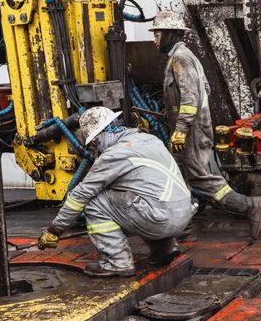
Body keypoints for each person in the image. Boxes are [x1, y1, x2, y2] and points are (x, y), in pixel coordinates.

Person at [38, 107, 196, 277]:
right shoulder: (149, 139)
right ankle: (165, 247)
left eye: (95, 143)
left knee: (94, 202)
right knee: (141, 195)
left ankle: (116, 261)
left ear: (100, 135)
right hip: (184, 216)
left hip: (159, 219)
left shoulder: (114, 154)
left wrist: (55, 230)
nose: (95, 148)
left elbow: (81, 194)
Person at [149, 10, 261, 240]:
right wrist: (170, 110)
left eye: (157, 34)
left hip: (190, 132)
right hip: (191, 128)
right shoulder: (182, 57)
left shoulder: (181, 59)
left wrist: (181, 129)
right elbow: (205, 90)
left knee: (199, 177)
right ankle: (183, 226)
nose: (154, 40)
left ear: (171, 34)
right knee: (178, 177)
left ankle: (249, 205)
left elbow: (191, 98)